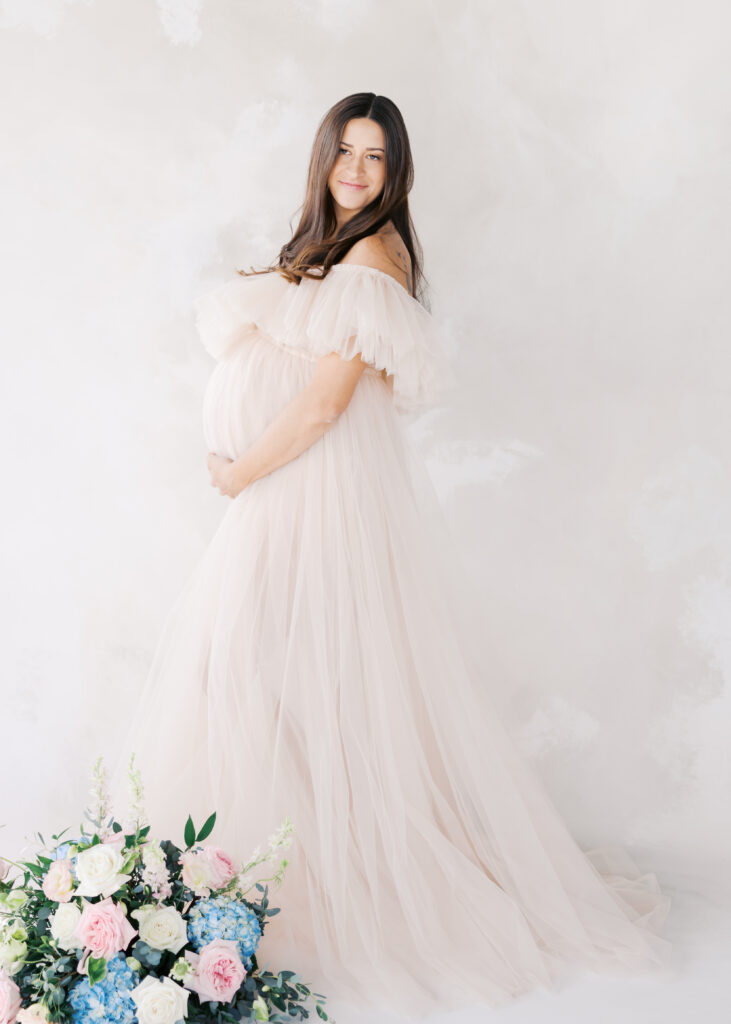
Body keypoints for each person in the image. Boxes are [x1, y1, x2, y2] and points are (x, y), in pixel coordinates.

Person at [109, 92, 672, 1017]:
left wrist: (238, 469)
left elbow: (327, 403)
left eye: (376, 158)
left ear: (395, 172)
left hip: (303, 498)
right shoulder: (325, 250)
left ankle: (331, 882)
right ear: (323, 157)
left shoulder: (375, 254)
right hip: (286, 499)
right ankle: (284, 864)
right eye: (347, 152)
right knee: (249, 675)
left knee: (254, 670)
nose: (358, 171)